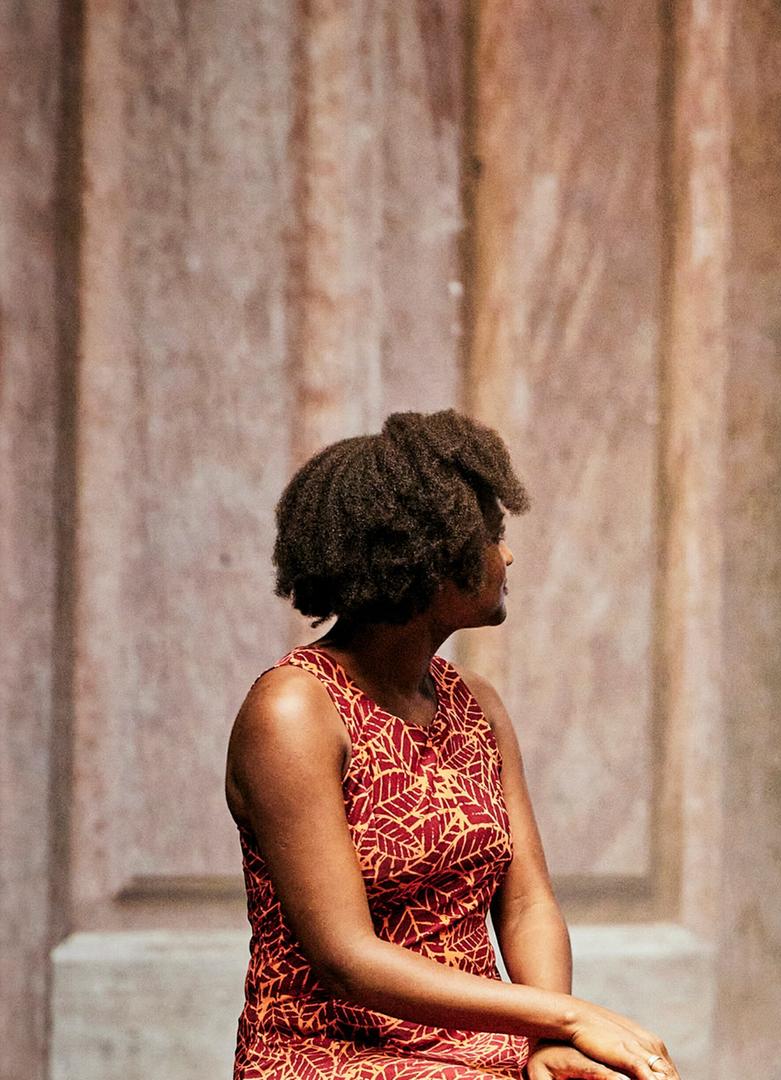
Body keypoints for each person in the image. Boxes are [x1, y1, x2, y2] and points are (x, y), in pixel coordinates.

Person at [226, 410, 677, 1080]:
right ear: (430, 559)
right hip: (333, 1056)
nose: (509, 554)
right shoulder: (293, 709)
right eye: (493, 536)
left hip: (482, 1048)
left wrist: (546, 1041)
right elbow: (345, 958)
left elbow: (527, 905)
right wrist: (568, 1018)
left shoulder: (477, 704)